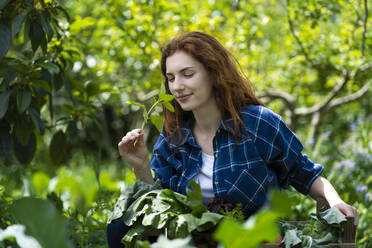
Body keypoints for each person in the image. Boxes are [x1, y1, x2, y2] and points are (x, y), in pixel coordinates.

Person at [107, 31, 359, 247]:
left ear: (213, 73)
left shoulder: (257, 123)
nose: (177, 86)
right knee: (119, 226)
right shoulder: (174, 135)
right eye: (171, 78)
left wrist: (336, 202)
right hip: (197, 241)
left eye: (187, 74)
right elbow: (162, 206)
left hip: (255, 240)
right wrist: (140, 165)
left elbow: (305, 174)